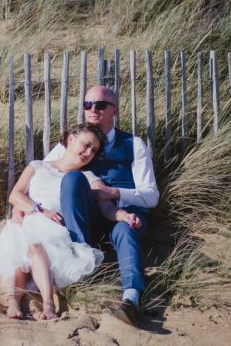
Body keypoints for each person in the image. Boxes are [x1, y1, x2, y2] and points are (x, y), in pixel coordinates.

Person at [43, 85, 159, 326]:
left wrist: (114, 192)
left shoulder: (134, 144)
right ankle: (80, 266)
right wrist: (30, 208)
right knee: (73, 178)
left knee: (125, 230)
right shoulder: (76, 140)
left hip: (126, 214)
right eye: (87, 105)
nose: (92, 109)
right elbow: (43, 173)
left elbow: (151, 196)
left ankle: (131, 299)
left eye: (100, 105)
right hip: (89, 218)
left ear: (114, 110)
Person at [0, 123, 107, 320]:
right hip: (30, 217)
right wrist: (37, 210)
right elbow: (15, 194)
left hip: (54, 226)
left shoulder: (86, 177)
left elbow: (101, 194)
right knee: (18, 251)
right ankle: (13, 302)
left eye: (94, 150)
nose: (88, 152)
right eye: (86, 144)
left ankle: (48, 306)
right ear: (71, 139)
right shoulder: (38, 166)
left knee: (37, 249)